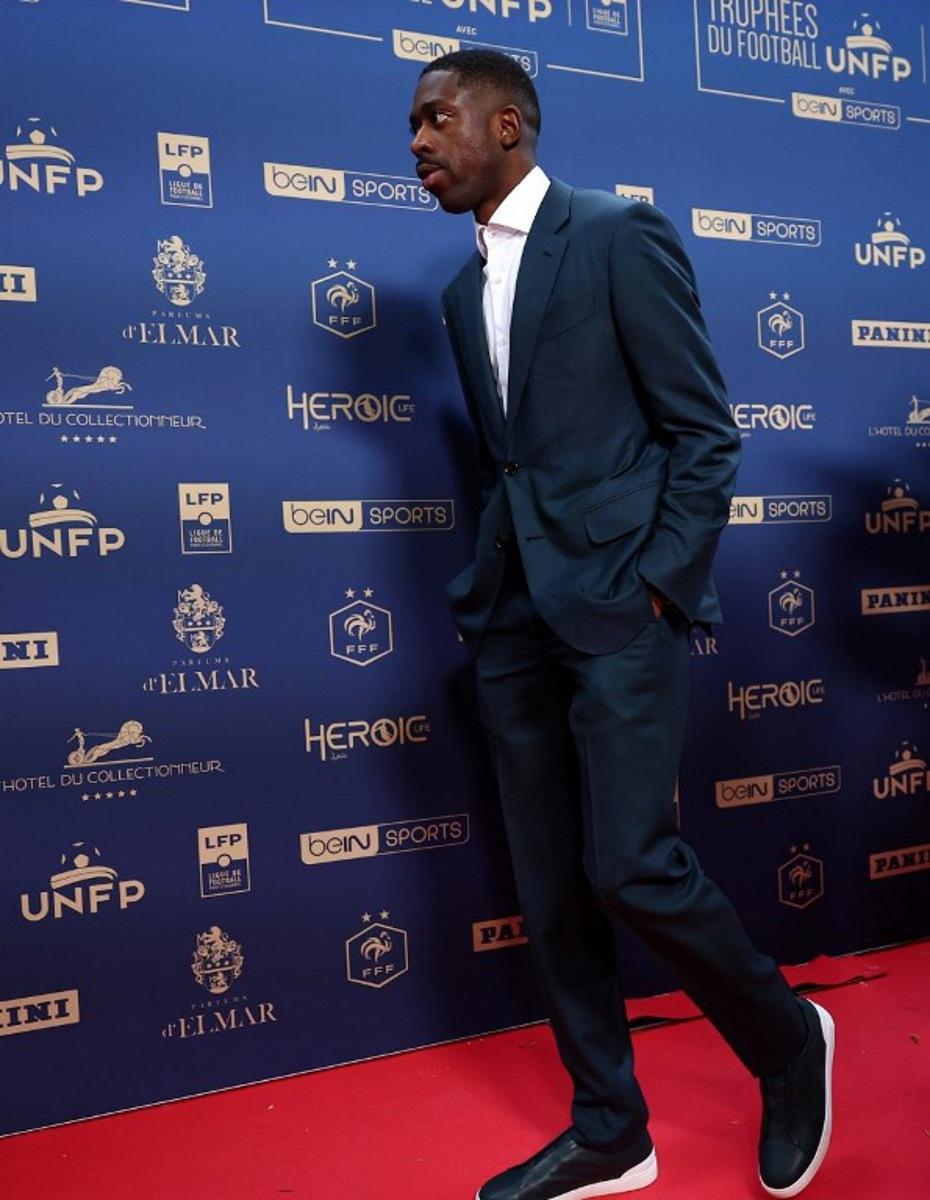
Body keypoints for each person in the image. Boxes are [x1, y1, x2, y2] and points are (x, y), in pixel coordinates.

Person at [408, 49, 834, 1200]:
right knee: (549, 888)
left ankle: (789, 1042)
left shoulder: (612, 234)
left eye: (438, 118)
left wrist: (655, 585)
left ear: (510, 127)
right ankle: (611, 1126)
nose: (418, 143)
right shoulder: (461, 293)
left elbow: (704, 433)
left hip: (619, 609)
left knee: (630, 867)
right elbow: (513, 466)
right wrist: (485, 598)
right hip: (513, 624)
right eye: (415, 124)